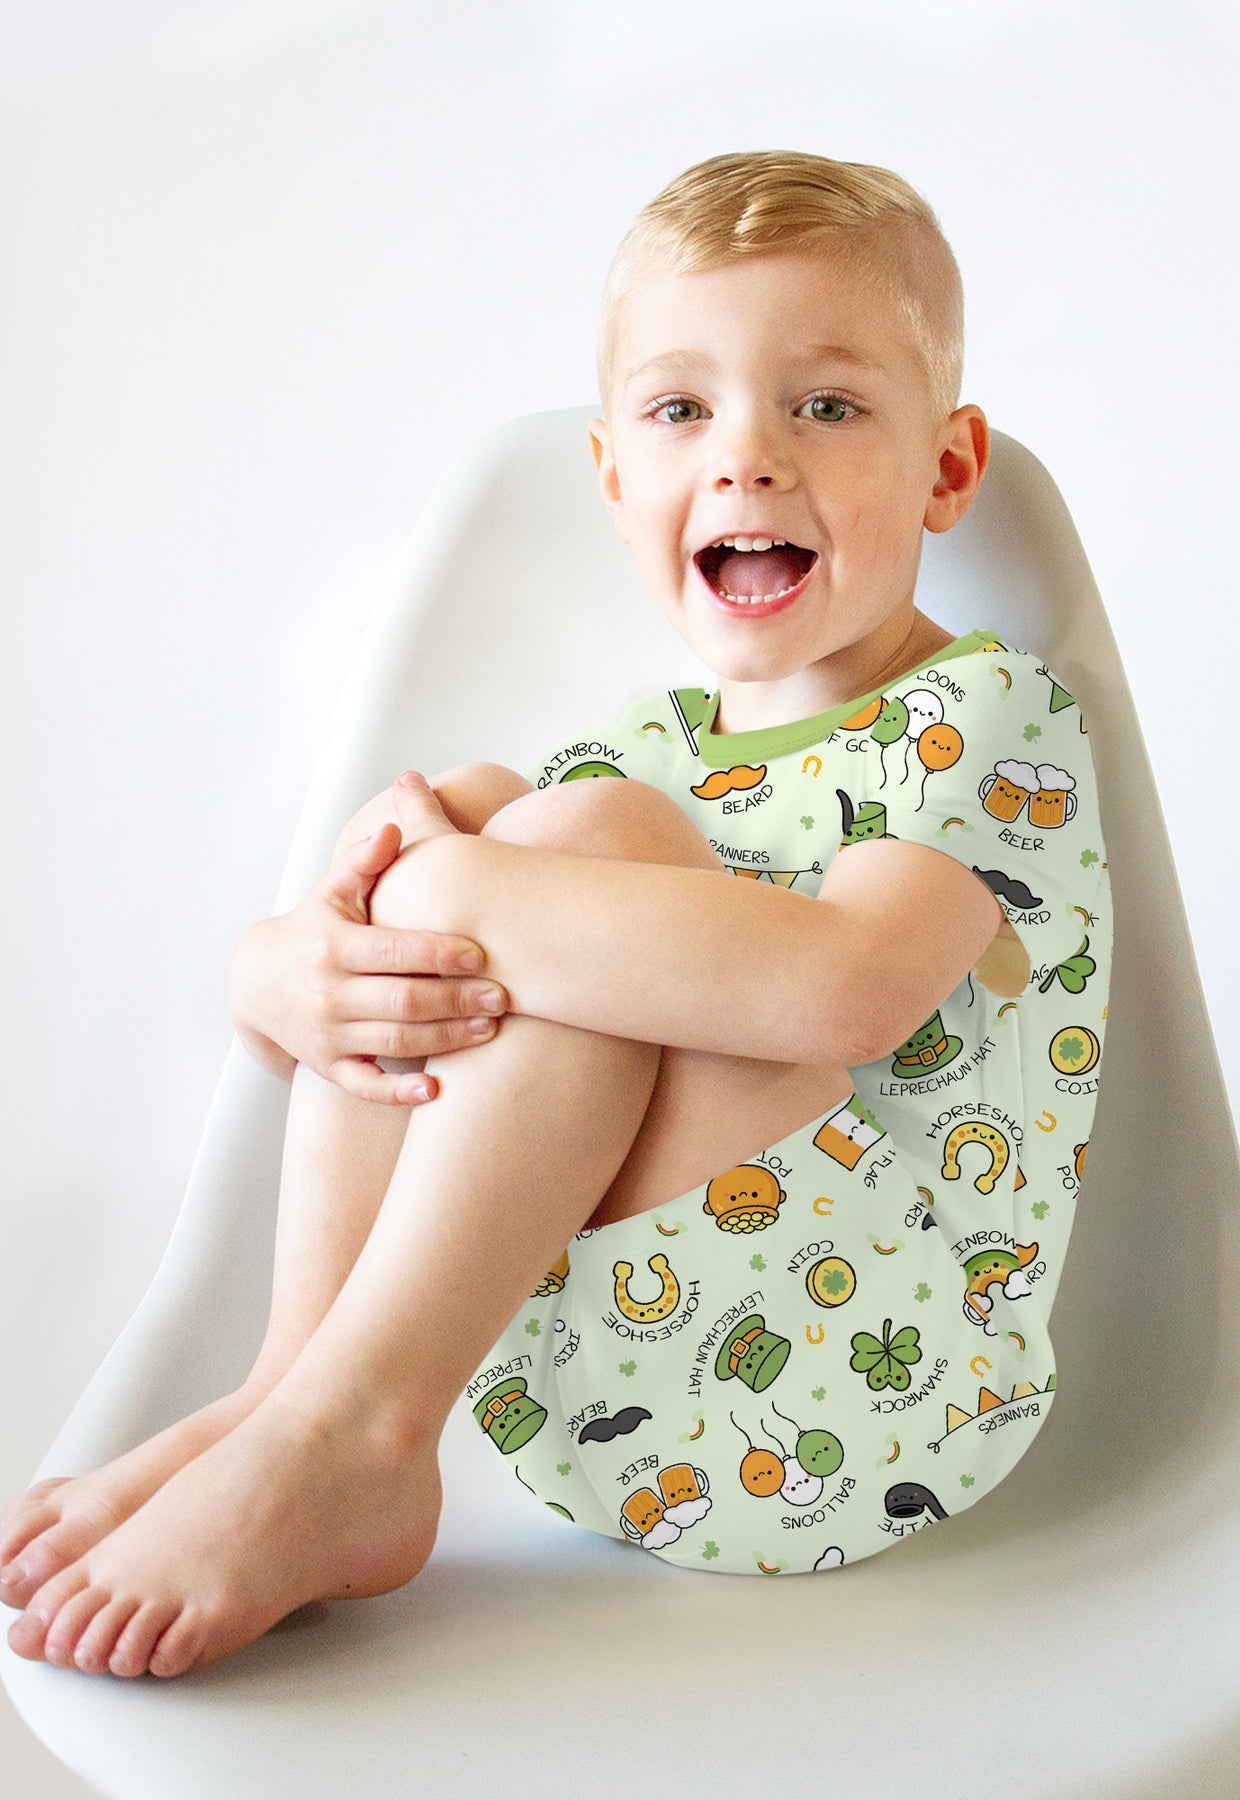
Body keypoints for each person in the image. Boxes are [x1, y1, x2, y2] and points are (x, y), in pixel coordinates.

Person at [0, 149, 1110, 1675]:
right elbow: (389, 984)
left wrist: (452, 879)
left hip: (883, 1385)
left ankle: (348, 1427)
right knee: (519, 812)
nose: (747, 458)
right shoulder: (629, 755)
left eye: (826, 406)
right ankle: (295, 1399)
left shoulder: (982, 713)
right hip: (591, 1393)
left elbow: (843, 994)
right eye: (681, 410)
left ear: (947, 468)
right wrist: (283, 967)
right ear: (613, 477)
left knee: (561, 841)